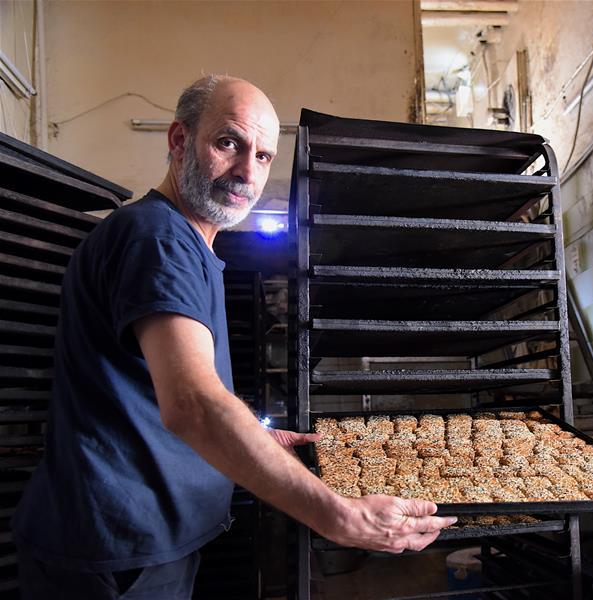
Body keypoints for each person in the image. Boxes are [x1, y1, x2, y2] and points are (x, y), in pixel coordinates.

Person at [12, 75, 456, 599]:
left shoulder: (183, 243)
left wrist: (255, 437)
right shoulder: (159, 239)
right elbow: (193, 404)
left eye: (263, 156)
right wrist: (338, 516)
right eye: (229, 143)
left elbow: (154, 390)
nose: (248, 171)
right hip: (116, 551)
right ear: (179, 140)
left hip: (138, 542)